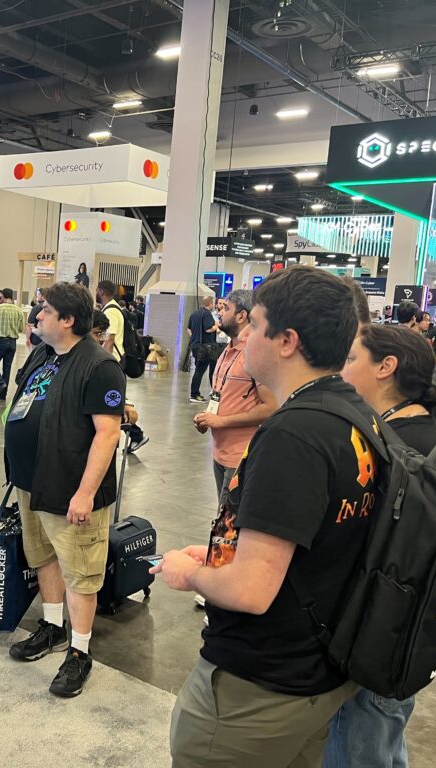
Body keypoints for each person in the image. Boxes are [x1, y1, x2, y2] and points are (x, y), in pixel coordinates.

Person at [156, 265, 370, 767]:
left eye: (253, 322)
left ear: (287, 340)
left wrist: (190, 573)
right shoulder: (353, 414)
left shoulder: (292, 435)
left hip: (259, 685)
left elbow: (252, 591)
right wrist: (217, 556)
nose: (243, 334)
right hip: (318, 668)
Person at [328, 323, 436, 768]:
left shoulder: (406, 447)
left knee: (359, 748)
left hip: (381, 635)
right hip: (394, 634)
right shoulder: (419, 431)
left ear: (386, 367)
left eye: (350, 360)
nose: (341, 369)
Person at [4, 282, 125, 698]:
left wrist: (86, 493)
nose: (37, 315)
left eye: (45, 310)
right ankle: (53, 627)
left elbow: (107, 435)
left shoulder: (100, 366)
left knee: (81, 572)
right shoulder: (42, 353)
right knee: (43, 557)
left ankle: (80, 652)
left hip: (71, 489)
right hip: (30, 482)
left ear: (68, 320)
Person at [192, 289, 278, 506]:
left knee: (228, 524)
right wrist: (209, 417)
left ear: (242, 316)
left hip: (240, 456)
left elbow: (271, 407)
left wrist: (221, 421)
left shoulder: (254, 354)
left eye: (225, 309)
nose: (220, 313)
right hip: (220, 451)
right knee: (223, 516)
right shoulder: (226, 351)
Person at [90, 310, 148, 453]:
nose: (101, 339)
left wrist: (125, 402)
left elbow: (110, 390)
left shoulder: (103, 364)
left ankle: (137, 434)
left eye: (102, 334)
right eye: (97, 334)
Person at [0, 288, 25, 400]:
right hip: (12, 342)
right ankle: (3, 394)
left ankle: (0, 383)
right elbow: (21, 328)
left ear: (3, 296)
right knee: (7, 368)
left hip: (0, 341)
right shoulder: (19, 310)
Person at [187, 296, 218, 403]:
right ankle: (194, 394)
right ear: (210, 304)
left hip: (195, 346)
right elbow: (208, 328)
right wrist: (216, 326)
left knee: (199, 370)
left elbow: (189, 329)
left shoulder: (194, 314)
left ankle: (195, 394)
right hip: (205, 347)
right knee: (200, 371)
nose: (214, 305)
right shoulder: (207, 314)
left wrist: (194, 338)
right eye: (213, 303)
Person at [96, 280, 125, 364]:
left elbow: (109, 340)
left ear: (101, 292)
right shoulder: (112, 307)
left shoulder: (110, 311)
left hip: (112, 359)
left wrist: (105, 364)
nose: (96, 294)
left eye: (97, 290)